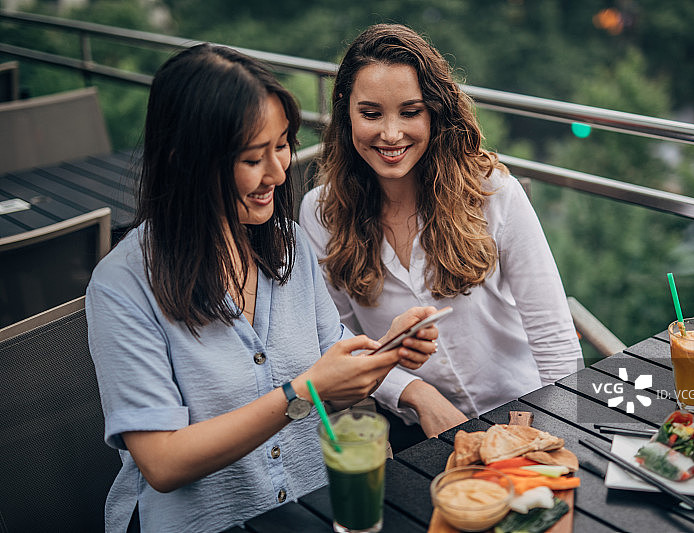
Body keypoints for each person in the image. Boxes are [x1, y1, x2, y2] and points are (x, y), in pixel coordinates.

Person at [86, 43, 439, 533]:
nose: (278, 172)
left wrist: (386, 352)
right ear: (184, 161)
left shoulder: (288, 245)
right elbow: (162, 463)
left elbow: (331, 380)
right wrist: (303, 391)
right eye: (255, 157)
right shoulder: (122, 285)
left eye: (282, 145)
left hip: (311, 509)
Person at [299, 24, 582, 442]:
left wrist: (560, 434)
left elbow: (554, 336)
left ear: (435, 112)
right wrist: (416, 393)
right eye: (371, 113)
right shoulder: (320, 213)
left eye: (410, 112)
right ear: (345, 111)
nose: (391, 134)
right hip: (415, 429)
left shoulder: (494, 193)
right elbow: (337, 339)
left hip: (527, 417)